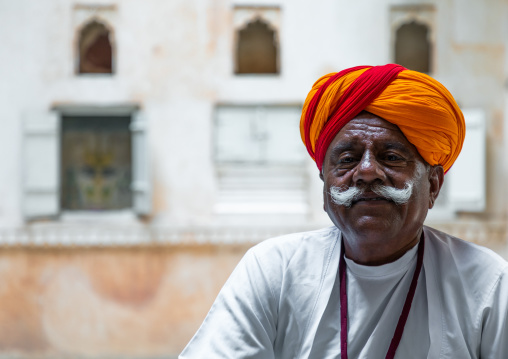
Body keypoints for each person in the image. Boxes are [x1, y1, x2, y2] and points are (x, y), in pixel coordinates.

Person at [179, 64, 508, 358]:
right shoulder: (272, 271)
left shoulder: (489, 286)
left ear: (434, 185)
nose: (367, 171)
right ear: (324, 187)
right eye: (347, 159)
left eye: (391, 157)